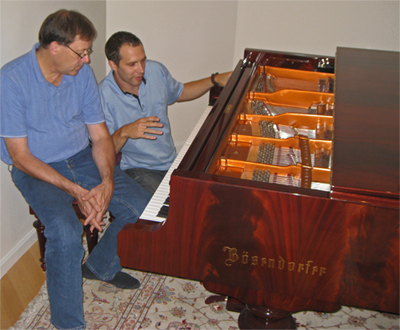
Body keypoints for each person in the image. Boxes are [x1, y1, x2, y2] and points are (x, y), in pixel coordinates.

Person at [0, 10, 150, 330]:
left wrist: (107, 182)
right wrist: (78, 192)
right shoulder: (11, 80)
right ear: (55, 47)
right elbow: (20, 156)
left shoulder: (79, 73)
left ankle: (100, 267)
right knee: (66, 233)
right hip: (35, 168)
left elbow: (98, 135)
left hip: (80, 156)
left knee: (141, 209)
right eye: (81, 52)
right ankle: (68, 324)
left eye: (87, 52)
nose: (86, 59)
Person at [98, 32, 232, 195]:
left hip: (171, 162)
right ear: (113, 64)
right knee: (171, 209)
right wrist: (125, 132)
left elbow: (181, 93)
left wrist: (214, 80)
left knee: (206, 196)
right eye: (132, 64)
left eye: (143, 60)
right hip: (139, 169)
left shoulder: (155, 70)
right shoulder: (102, 96)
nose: (141, 69)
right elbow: (104, 151)